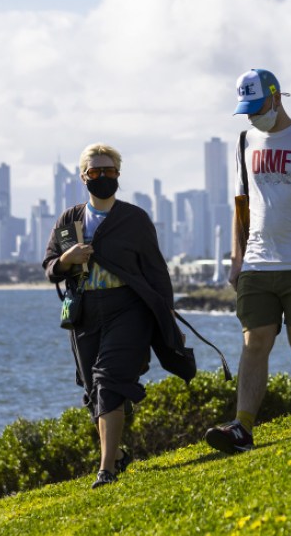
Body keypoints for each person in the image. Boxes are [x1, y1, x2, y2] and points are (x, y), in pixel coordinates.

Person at [205, 68, 291, 454]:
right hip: (257, 263)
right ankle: (242, 428)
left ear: (276, 97)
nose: (252, 115)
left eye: (257, 106)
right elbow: (241, 205)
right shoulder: (245, 141)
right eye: (245, 109)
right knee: (254, 342)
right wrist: (237, 258)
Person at [45, 144, 195, 488]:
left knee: (109, 379)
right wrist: (67, 258)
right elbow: (50, 268)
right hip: (84, 313)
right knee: (93, 390)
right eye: (95, 172)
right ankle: (118, 455)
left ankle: (106, 471)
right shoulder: (69, 220)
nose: (102, 177)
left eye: (108, 172)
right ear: (84, 177)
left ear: (118, 175)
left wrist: (168, 319)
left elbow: (157, 271)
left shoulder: (134, 219)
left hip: (129, 308)